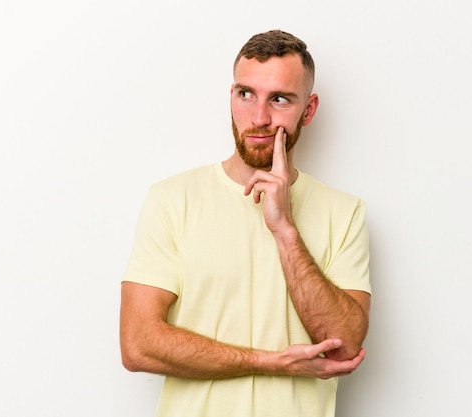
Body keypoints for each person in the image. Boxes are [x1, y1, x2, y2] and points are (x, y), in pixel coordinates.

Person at [120, 29, 371, 417]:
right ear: (231, 96)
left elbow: (344, 347)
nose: (259, 118)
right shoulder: (172, 199)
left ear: (308, 109)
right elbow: (138, 345)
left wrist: (285, 229)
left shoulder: (345, 212)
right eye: (246, 94)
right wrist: (273, 362)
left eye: (280, 99)